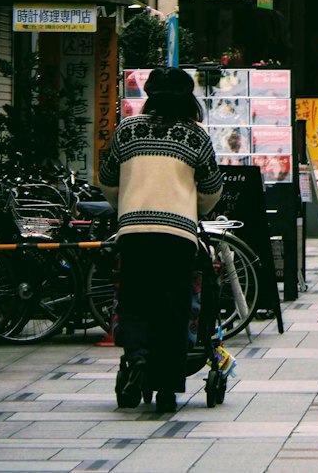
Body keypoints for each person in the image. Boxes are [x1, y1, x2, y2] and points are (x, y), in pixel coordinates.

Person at [100, 66, 223, 415]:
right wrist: (190, 206)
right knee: (174, 308)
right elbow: (212, 189)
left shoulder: (128, 130)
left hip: (134, 232)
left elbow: (107, 179)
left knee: (135, 300)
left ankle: (137, 355)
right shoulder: (196, 135)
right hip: (177, 235)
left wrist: (126, 203)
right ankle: (167, 389)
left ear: (150, 96)